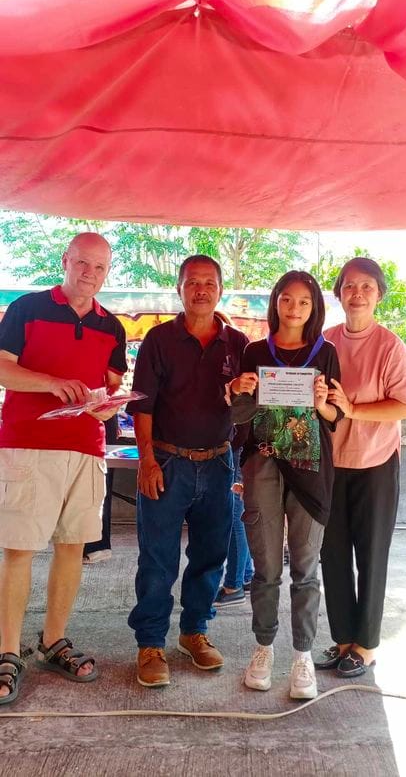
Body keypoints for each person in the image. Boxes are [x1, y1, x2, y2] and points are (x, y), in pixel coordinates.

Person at [0, 232, 127, 705]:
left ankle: (53, 641)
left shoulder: (112, 327)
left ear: (107, 272)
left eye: (99, 267)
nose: (89, 273)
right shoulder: (26, 309)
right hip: (28, 445)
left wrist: (106, 406)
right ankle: (7, 651)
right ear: (65, 260)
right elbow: (2, 368)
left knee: (72, 547)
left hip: (87, 450)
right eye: (82, 263)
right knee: (19, 550)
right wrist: (51, 383)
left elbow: (109, 391)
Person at [126, 255, 248, 688]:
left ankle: (194, 631)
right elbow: (142, 405)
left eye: (209, 282)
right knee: (157, 560)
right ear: (178, 288)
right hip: (166, 462)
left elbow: (251, 406)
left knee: (210, 556)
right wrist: (146, 461)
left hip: (219, 464)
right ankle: (150, 643)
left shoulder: (238, 344)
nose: (201, 289)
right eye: (192, 282)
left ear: (221, 290)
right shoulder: (159, 339)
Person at [229, 270, 342, 699]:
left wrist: (321, 403)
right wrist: (238, 389)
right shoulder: (255, 351)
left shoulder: (325, 353)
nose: (294, 308)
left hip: (311, 470)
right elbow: (241, 416)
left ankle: (302, 655)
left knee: (306, 570)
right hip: (263, 466)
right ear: (275, 302)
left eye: (304, 302)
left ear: (315, 308)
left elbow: (335, 417)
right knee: (265, 569)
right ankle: (263, 648)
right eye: (287, 299)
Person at [315, 257, 406, 678]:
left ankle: (367, 645)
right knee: (332, 554)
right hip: (330, 465)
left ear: (378, 295)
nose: (357, 294)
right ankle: (343, 640)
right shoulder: (324, 342)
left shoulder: (391, 346)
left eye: (367, 287)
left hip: (376, 463)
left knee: (372, 555)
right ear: (339, 293)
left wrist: (353, 409)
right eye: (349, 286)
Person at [213, 428, 254, 608]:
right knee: (239, 513)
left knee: (236, 516)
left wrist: (230, 443)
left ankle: (233, 586)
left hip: (239, 446)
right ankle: (245, 576)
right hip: (243, 445)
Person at [82, 413, 119, 564]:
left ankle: (96, 545)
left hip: (99, 420)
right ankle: (94, 544)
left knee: (98, 483)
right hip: (88, 420)